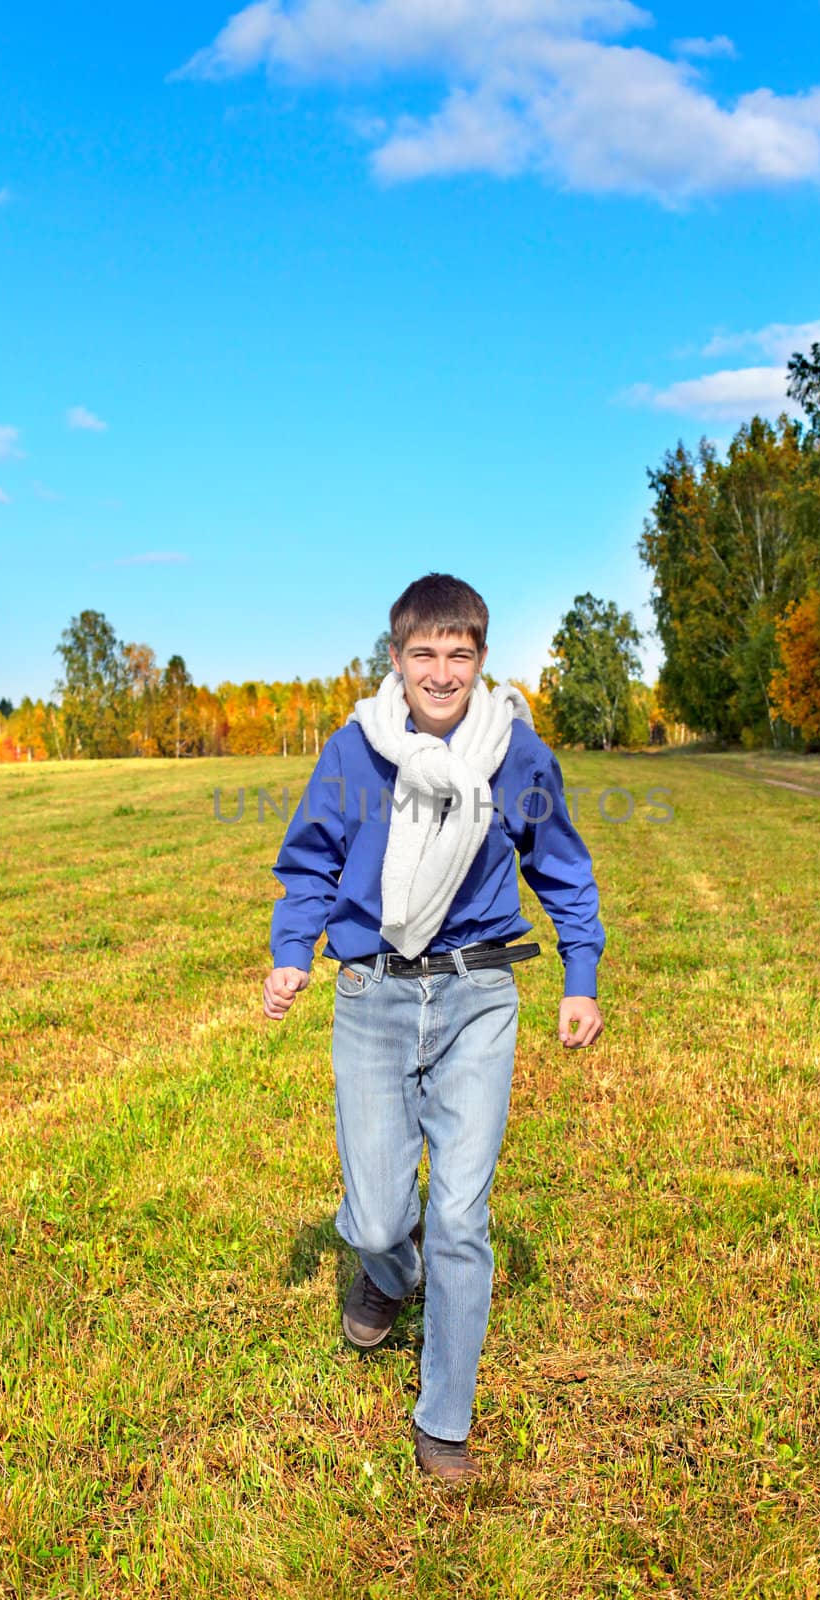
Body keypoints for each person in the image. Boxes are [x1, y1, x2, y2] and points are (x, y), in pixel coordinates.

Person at [263, 573, 604, 1484]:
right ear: (397, 659)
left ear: (481, 661)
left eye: (460, 654)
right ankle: (386, 1267)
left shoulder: (517, 756)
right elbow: (309, 860)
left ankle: (443, 1418)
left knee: (459, 1212)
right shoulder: (352, 752)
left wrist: (581, 975)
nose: (442, 672)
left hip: (477, 993)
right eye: (425, 653)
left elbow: (563, 867)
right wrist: (293, 950)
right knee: (379, 1212)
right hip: (371, 993)